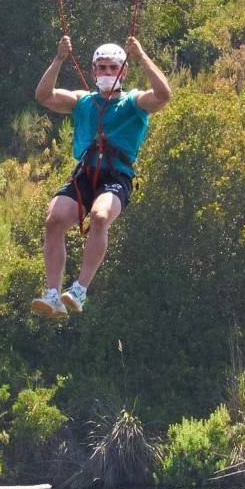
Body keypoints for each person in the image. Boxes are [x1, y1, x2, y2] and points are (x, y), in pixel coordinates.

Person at [31, 35, 171, 318]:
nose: (107, 73)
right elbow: (44, 96)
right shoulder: (83, 101)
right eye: (102, 68)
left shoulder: (133, 102)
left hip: (116, 176)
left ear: (122, 71)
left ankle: (80, 290)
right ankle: (52, 294)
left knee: (100, 216)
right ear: (93, 71)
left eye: (113, 68)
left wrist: (141, 56)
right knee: (53, 220)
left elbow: (163, 96)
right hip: (84, 174)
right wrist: (58, 59)